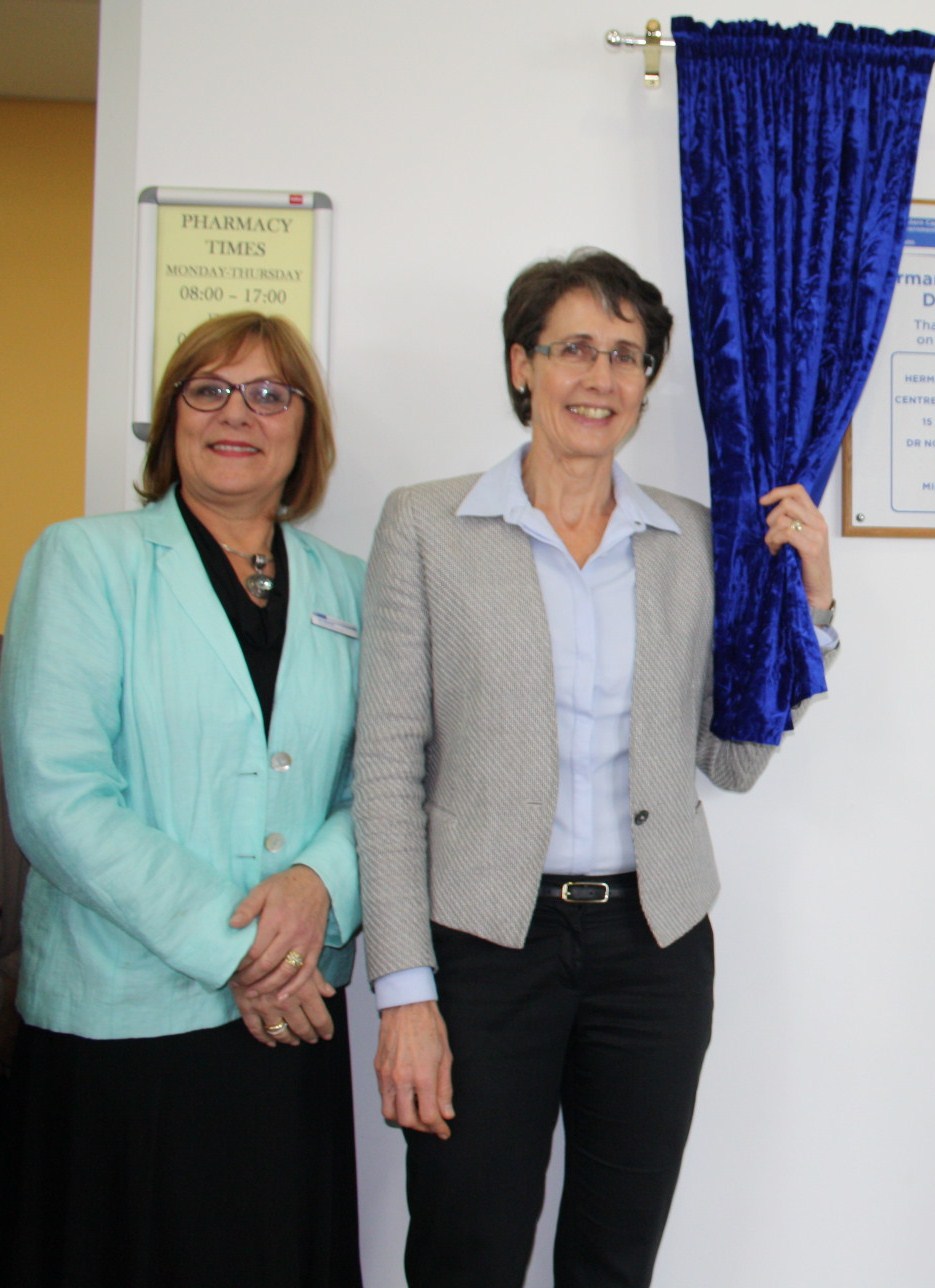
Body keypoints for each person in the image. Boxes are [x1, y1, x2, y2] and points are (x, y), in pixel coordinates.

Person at [355, 247, 837, 1288]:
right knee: (463, 1247)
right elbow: (387, 767)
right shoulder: (425, 527)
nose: (601, 377)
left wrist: (809, 615)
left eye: (627, 354)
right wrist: (403, 992)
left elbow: (732, 761)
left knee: (614, 1259)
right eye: (574, 347)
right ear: (522, 365)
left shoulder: (693, 541)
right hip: (485, 947)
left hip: (652, 949)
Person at [0, 312, 365, 1285]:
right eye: (208, 389)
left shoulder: (352, 587)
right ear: (170, 420)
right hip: (123, 1032)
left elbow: (387, 778)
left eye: (269, 393)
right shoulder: (82, 562)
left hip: (292, 1025)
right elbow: (56, 794)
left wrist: (320, 885)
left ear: (305, 427)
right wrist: (245, 943)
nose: (236, 413)